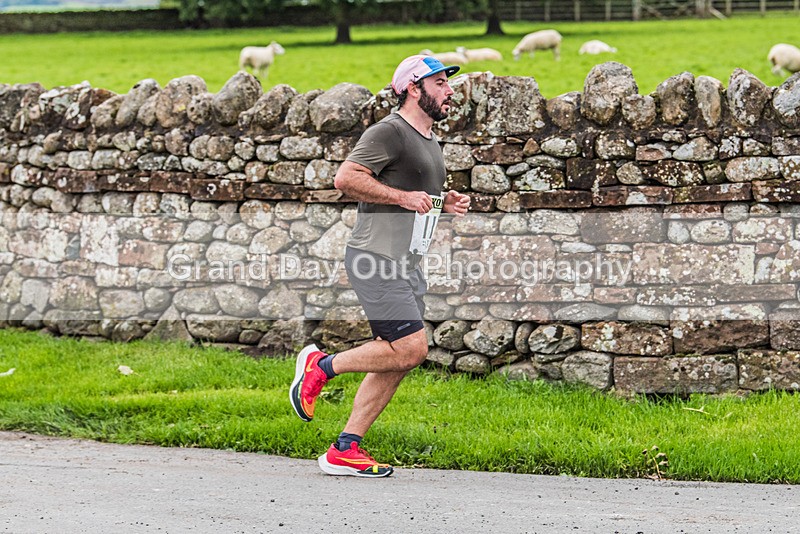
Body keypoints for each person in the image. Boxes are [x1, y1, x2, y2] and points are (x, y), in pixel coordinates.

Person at [289, 55, 471, 478]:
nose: (449, 91)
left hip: (407, 261)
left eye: (448, 83)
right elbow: (347, 178)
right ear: (414, 87)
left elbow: (414, 200)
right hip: (376, 258)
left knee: (396, 358)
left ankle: (345, 449)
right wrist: (403, 197)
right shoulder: (390, 131)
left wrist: (444, 203)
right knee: (412, 348)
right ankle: (321, 366)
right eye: (440, 83)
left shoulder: (428, 141)